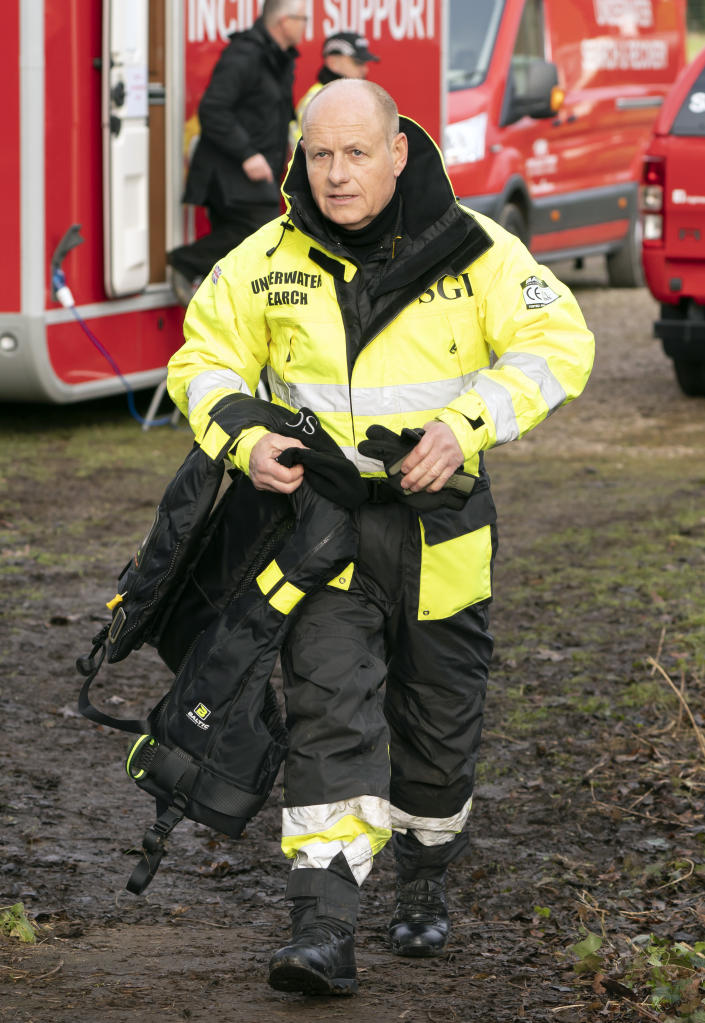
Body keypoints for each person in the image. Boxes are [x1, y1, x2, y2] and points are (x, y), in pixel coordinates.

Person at [166, 79, 594, 996]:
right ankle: (323, 926)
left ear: (398, 151)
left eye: (356, 153)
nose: (335, 173)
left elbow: (557, 341)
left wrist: (470, 421)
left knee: (438, 728)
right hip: (321, 534)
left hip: (441, 532)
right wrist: (248, 438)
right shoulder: (266, 257)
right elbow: (202, 358)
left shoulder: (476, 249)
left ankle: (426, 873)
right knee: (328, 709)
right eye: (319, 155)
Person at [166, 0, 308, 304]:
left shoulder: (280, 58)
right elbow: (213, 109)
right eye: (302, 19)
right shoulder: (244, 54)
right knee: (265, 228)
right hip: (228, 170)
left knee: (250, 244)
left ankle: (217, 300)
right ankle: (184, 263)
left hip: (255, 173)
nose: (305, 26)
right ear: (284, 21)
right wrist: (247, 154)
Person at [289, 31, 380, 148]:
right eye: (358, 62)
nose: (365, 69)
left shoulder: (352, 98)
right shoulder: (318, 101)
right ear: (333, 62)